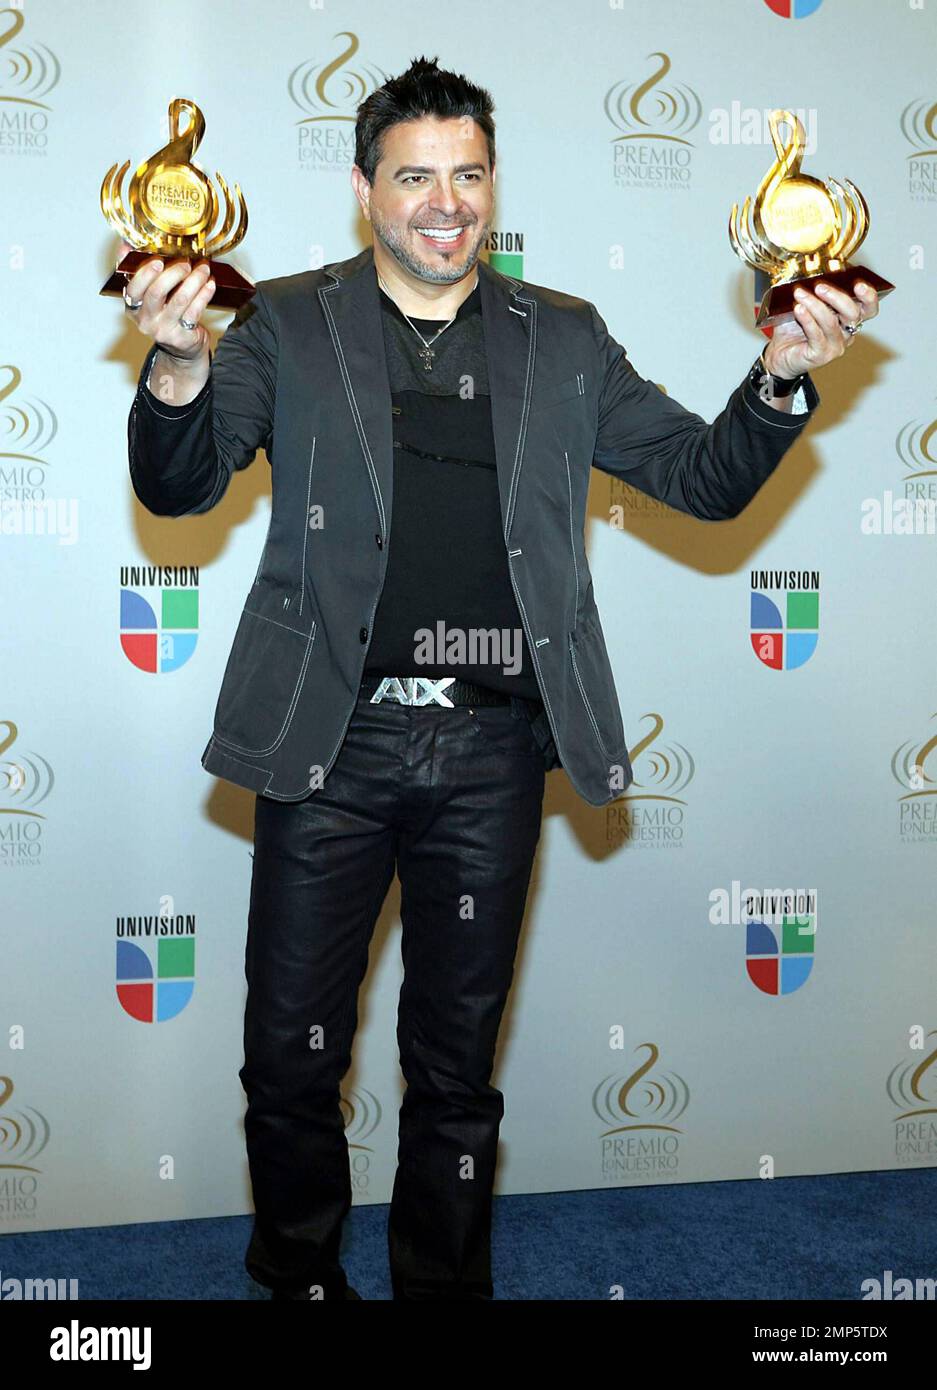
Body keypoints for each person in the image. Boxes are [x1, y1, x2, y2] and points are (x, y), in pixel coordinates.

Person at [119, 56, 879, 1300]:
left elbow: (701, 478)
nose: (444, 202)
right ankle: (299, 1275)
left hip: (490, 755)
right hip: (331, 744)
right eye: (415, 175)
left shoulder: (563, 338)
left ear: (491, 187)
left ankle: (442, 1288)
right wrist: (176, 364)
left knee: (456, 1062)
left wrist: (782, 374)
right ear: (364, 187)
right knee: (292, 1057)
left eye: (467, 175)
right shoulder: (286, 325)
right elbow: (179, 485)